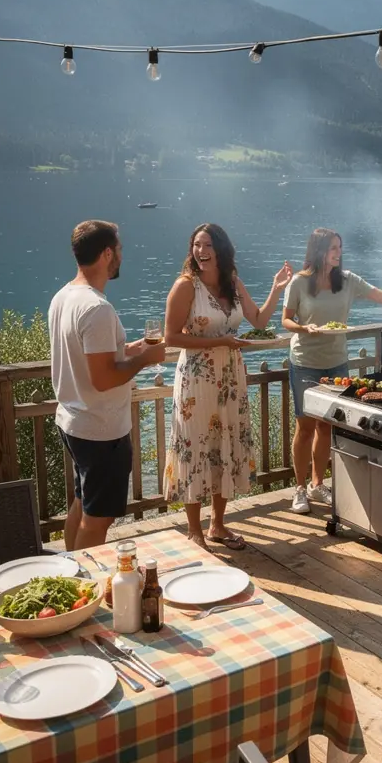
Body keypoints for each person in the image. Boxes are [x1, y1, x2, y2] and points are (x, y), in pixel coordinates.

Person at [283, 228, 382, 515]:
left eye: (339, 247)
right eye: (332, 248)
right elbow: (286, 320)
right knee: (305, 428)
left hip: (336, 361)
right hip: (305, 360)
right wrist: (305, 328)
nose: (338, 253)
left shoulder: (347, 280)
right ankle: (300, 488)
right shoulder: (299, 283)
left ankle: (318, 484)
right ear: (318, 250)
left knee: (326, 425)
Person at [163, 224, 292, 549]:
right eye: (196, 245)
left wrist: (277, 289)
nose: (201, 251)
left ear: (220, 249)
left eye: (207, 245)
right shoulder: (185, 286)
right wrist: (220, 341)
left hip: (231, 379)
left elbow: (259, 321)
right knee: (195, 447)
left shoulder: (232, 282)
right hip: (196, 380)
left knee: (224, 445)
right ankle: (194, 529)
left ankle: (217, 525)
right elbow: (171, 337)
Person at [49, 220, 165, 551]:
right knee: (97, 519)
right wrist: (146, 359)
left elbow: (88, 358)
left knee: (82, 503)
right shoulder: (97, 308)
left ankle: (70, 571)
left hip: (73, 420)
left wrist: (129, 350)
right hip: (100, 430)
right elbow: (103, 379)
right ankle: (87, 586)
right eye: (120, 250)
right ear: (107, 253)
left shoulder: (64, 296)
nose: (121, 257)